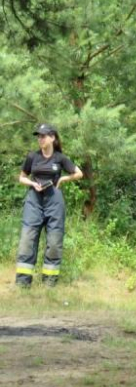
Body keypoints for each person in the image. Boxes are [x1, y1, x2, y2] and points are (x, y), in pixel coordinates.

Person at [15, 123, 83, 287]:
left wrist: (62, 179)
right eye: (38, 136)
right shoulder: (33, 157)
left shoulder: (60, 158)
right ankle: (23, 284)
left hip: (54, 200)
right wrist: (32, 183)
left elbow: (78, 173)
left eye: (43, 136)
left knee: (54, 241)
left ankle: (49, 284)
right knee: (27, 239)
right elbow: (21, 177)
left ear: (52, 138)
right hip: (34, 200)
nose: (40, 139)